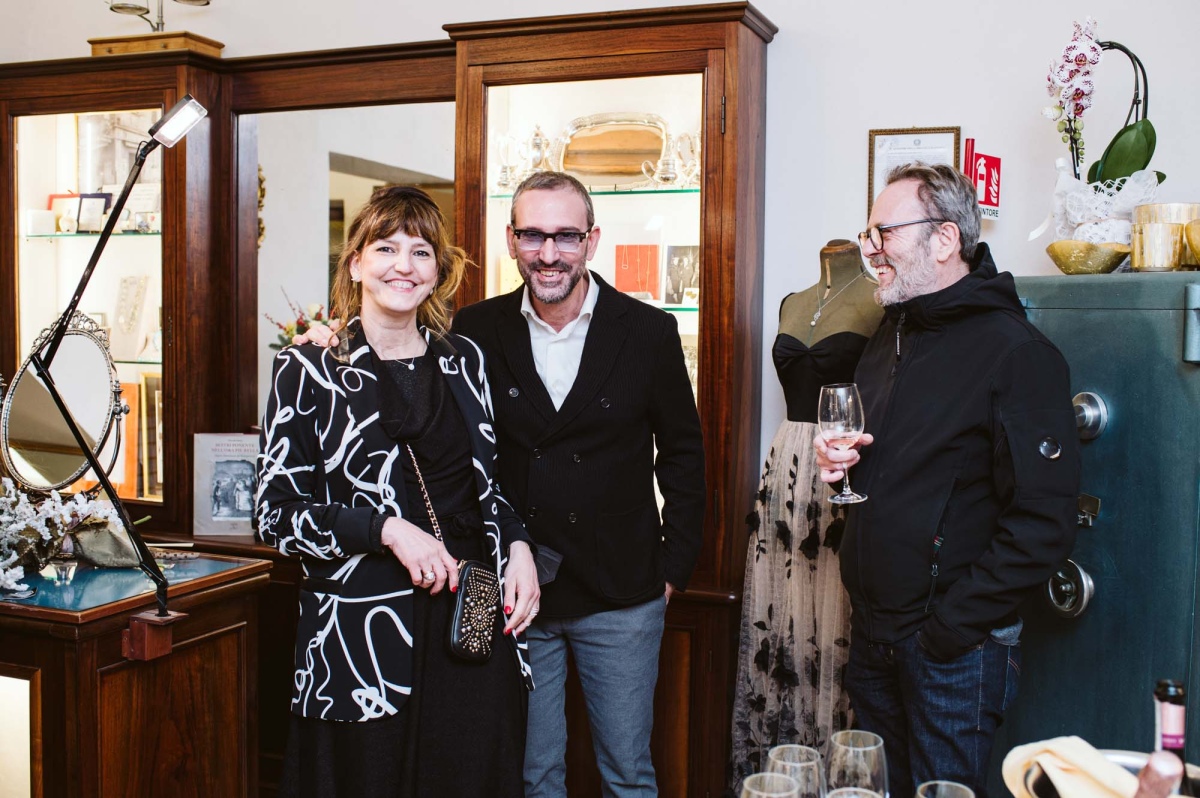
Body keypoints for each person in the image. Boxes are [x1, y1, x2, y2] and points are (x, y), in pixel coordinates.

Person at [303, 171, 706, 798]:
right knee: (532, 772)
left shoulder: (648, 331)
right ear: (511, 240)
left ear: (592, 241)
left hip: (623, 593)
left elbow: (682, 456)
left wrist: (671, 569)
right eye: (533, 236)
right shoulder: (472, 333)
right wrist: (332, 338)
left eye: (566, 236)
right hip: (515, 593)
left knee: (628, 772)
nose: (549, 253)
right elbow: (398, 357)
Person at [256, 186, 539, 798]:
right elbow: (276, 516)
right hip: (362, 638)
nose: (403, 266)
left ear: (438, 271)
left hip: (471, 621)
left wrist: (518, 547)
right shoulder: (308, 368)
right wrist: (385, 530)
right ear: (356, 262)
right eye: (386, 248)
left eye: (421, 251)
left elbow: (488, 488)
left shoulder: (465, 361)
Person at [815, 163, 1080, 798]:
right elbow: (891, 472)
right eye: (869, 233)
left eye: (885, 233)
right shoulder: (889, 334)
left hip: (951, 653)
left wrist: (949, 631)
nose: (870, 249)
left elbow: (1044, 522)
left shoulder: (1017, 353)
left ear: (944, 239)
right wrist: (837, 469)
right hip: (873, 634)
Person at [729, 239, 882, 788]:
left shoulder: (878, 302)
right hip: (785, 469)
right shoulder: (792, 302)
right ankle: (779, 767)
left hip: (841, 463)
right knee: (783, 611)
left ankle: (832, 766)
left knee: (834, 608)